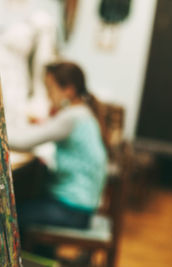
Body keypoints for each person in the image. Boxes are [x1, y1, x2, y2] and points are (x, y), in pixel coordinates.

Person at [8, 62, 108, 235]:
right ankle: (44, 254)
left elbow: (23, 141)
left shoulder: (73, 116)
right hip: (83, 206)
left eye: (50, 89)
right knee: (28, 199)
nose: (48, 96)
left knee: (12, 215)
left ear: (68, 90)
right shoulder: (83, 113)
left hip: (74, 209)